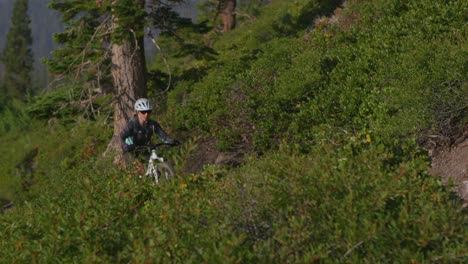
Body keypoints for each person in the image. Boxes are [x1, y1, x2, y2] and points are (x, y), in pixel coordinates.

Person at [120, 98, 179, 166]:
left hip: (143, 150)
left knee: (153, 164)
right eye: (143, 112)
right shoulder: (132, 124)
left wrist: (172, 141)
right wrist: (125, 146)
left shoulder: (153, 124)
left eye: (149, 111)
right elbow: (122, 136)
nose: (146, 114)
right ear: (138, 112)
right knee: (137, 170)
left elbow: (164, 136)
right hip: (131, 151)